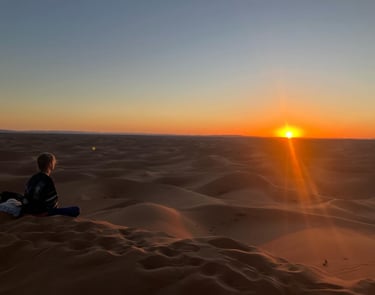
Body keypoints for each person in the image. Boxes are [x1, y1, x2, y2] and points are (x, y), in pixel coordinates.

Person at [23, 152, 80, 217]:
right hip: (42, 212)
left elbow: (27, 195)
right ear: (50, 164)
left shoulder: (33, 178)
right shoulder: (47, 180)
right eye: (54, 162)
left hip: (28, 209)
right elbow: (52, 201)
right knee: (76, 210)